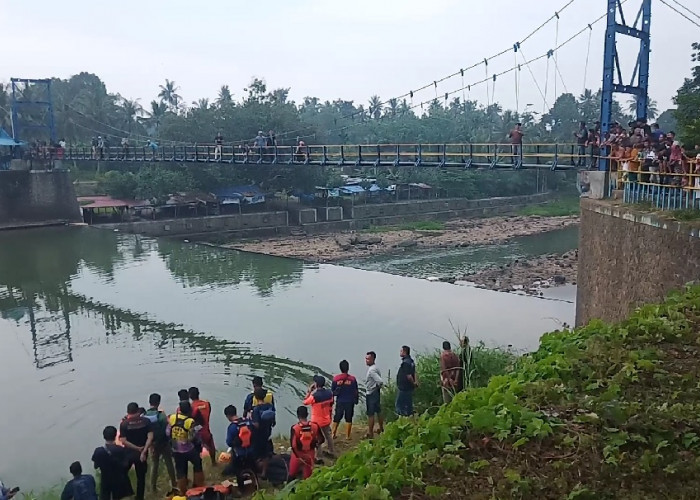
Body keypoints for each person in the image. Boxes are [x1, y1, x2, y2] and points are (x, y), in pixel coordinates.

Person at [167, 401, 204, 494]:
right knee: (198, 464)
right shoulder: (190, 421)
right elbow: (194, 436)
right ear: (189, 410)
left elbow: (167, 432)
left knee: (180, 471)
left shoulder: (172, 418)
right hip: (189, 449)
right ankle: (198, 487)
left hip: (176, 450)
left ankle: (183, 492)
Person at [119, 402, 153, 500]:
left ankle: (127, 492)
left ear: (127, 412)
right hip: (142, 455)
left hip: (128, 454)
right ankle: (139, 497)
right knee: (141, 478)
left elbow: (124, 441)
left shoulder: (124, 424)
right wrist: (143, 450)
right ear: (138, 411)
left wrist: (136, 448)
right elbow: (150, 437)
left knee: (122, 473)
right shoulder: (146, 421)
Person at [144, 393, 177, 493]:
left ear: (149, 402)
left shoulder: (144, 416)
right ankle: (174, 483)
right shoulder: (162, 416)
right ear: (158, 402)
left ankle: (153, 487)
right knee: (169, 463)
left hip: (152, 445)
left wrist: (150, 445)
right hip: (163, 444)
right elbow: (167, 432)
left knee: (154, 465)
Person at [92, 426, 134, 500]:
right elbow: (127, 465)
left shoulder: (98, 451)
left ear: (104, 436)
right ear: (115, 436)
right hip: (120, 481)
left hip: (106, 481)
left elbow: (96, 466)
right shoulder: (121, 450)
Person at [221, 405, 255, 489]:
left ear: (228, 416)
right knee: (252, 468)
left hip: (239, 454)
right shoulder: (248, 421)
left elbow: (229, 443)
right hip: (251, 451)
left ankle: (241, 489)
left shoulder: (232, 427)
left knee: (238, 471)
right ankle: (255, 483)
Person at [288, 406, 324, 480]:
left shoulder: (295, 428)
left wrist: (298, 456)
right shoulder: (315, 426)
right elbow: (322, 439)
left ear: (297, 415)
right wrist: (316, 444)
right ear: (307, 414)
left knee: (292, 474)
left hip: (298, 455)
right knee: (308, 476)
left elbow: (293, 445)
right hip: (310, 454)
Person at [303, 375, 334, 457]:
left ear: (316, 384)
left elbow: (305, 402)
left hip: (316, 422)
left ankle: (319, 456)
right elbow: (331, 405)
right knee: (328, 436)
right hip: (326, 419)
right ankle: (332, 452)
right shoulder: (330, 393)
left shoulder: (314, 396)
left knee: (317, 439)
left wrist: (309, 391)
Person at [250, 387, 276, 478]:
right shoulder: (270, 406)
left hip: (258, 435)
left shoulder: (256, 409)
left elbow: (256, 425)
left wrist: (250, 421)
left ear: (256, 398)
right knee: (265, 454)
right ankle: (264, 473)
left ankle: (255, 472)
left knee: (255, 453)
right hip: (267, 432)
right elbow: (273, 420)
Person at [188, 387, 217, 467]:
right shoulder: (207, 404)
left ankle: (197, 466)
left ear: (189, 396)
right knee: (211, 444)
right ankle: (214, 462)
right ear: (198, 394)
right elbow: (208, 413)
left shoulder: (190, 407)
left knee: (196, 450)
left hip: (197, 433)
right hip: (206, 431)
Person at [331, 360, 359, 440]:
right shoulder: (352, 379)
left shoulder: (336, 379)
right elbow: (356, 391)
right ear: (348, 368)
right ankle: (347, 436)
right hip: (350, 402)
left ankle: (333, 434)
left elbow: (332, 391)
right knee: (349, 418)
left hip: (340, 401)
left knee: (337, 417)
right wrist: (356, 399)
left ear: (340, 368)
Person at [365, 351, 384, 439]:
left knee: (371, 414)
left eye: (368, 359)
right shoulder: (375, 368)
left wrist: (375, 388)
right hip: (375, 393)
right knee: (378, 410)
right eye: (366, 358)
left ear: (373, 359)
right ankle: (381, 428)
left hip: (371, 393)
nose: (366, 360)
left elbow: (380, 381)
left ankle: (370, 432)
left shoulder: (372, 370)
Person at [396, 345, 417, 417]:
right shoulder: (411, 361)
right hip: (409, 387)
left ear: (405, 352)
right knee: (408, 404)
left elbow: (409, 376)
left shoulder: (405, 363)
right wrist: (415, 382)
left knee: (399, 405)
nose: (400, 352)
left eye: (401, 351)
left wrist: (413, 383)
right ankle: (410, 417)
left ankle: (402, 419)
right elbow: (414, 372)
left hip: (404, 387)